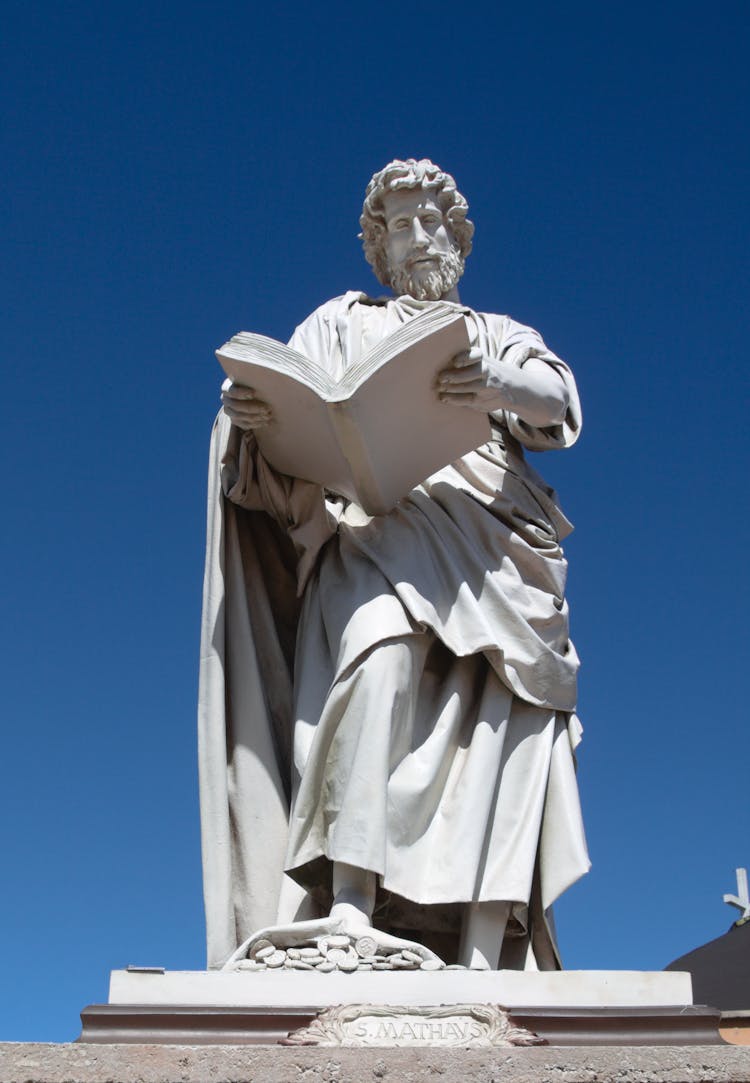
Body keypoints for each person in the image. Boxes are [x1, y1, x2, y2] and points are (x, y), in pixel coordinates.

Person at [198, 158, 590, 972]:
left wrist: (497, 382)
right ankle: (348, 905)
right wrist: (252, 421)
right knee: (377, 657)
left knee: (499, 725)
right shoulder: (339, 322)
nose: (421, 237)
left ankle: (486, 953)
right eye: (402, 224)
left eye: (433, 222)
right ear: (378, 246)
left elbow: (555, 401)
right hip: (373, 530)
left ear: (459, 237)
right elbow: (275, 458)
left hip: (496, 553)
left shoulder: (491, 333)